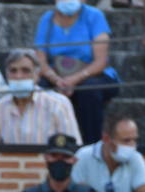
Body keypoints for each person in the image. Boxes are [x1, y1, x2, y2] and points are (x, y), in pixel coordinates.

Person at [32, 0, 121, 141]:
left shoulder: (94, 16)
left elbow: (100, 61)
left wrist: (74, 80)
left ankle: (91, 145)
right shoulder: (46, 19)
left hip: (91, 74)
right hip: (57, 76)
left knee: (89, 91)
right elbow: (40, 60)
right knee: (39, 89)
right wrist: (56, 79)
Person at [0, 48, 81, 145]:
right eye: (13, 71)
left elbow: (73, 148)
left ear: (37, 75)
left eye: (25, 71)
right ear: (7, 74)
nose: (18, 76)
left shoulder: (58, 104)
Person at [71, 113, 145, 192]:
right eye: (126, 140)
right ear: (106, 139)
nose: (132, 145)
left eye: (135, 140)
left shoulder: (135, 157)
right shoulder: (83, 156)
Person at [14, 131, 105, 192]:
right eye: (54, 156)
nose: (59, 161)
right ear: (46, 158)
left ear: (74, 160)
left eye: (65, 157)